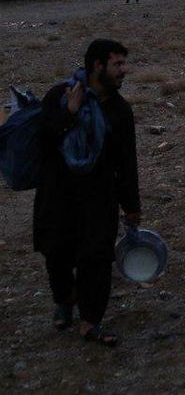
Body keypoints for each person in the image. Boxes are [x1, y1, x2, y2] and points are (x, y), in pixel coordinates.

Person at [33, 39, 141, 347]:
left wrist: (131, 205)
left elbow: (126, 161)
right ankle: (64, 300)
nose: (124, 71)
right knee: (57, 254)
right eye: (117, 64)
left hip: (99, 199)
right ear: (97, 66)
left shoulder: (120, 110)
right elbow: (44, 141)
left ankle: (90, 321)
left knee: (96, 260)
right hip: (59, 194)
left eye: (124, 63)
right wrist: (69, 113)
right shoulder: (60, 95)